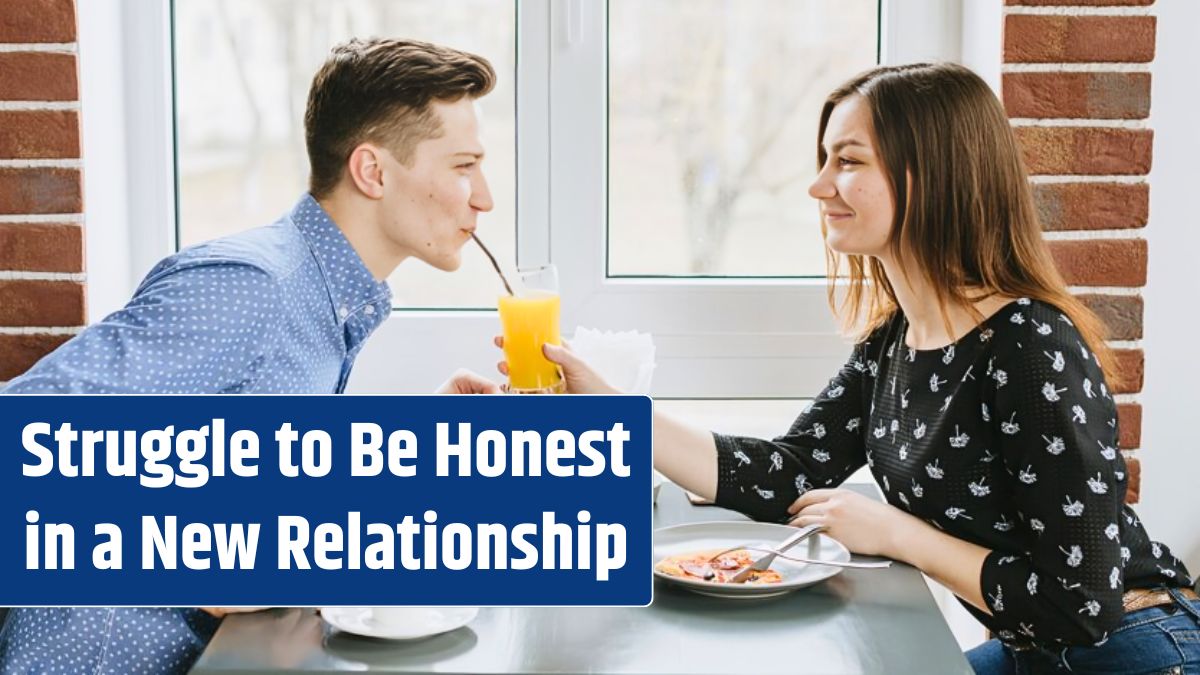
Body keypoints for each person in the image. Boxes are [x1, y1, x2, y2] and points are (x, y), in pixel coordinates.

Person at [522, 63, 1199, 673]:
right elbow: (787, 470)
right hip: (1037, 653)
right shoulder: (897, 337)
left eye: (847, 161)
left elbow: (1082, 605)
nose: (819, 186)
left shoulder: (1028, 343)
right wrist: (611, 412)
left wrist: (899, 534)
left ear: (931, 173)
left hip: (1135, 648)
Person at [0, 38, 502, 674]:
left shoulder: (326, 303)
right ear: (373, 171)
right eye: (464, 166)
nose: (483, 198)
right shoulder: (254, 288)